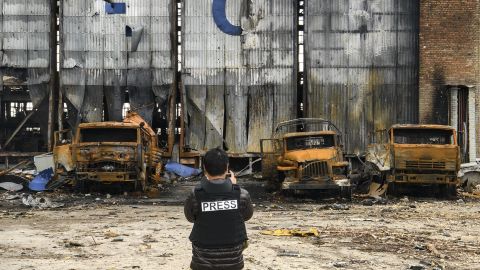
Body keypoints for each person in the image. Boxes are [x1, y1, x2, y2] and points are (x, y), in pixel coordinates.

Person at [184, 148, 254, 270]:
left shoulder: (195, 194)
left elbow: (190, 218)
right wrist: (233, 187)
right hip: (233, 263)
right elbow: (246, 216)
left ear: (204, 168)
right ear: (227, 167)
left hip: (202, 263)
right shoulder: (242, 194)